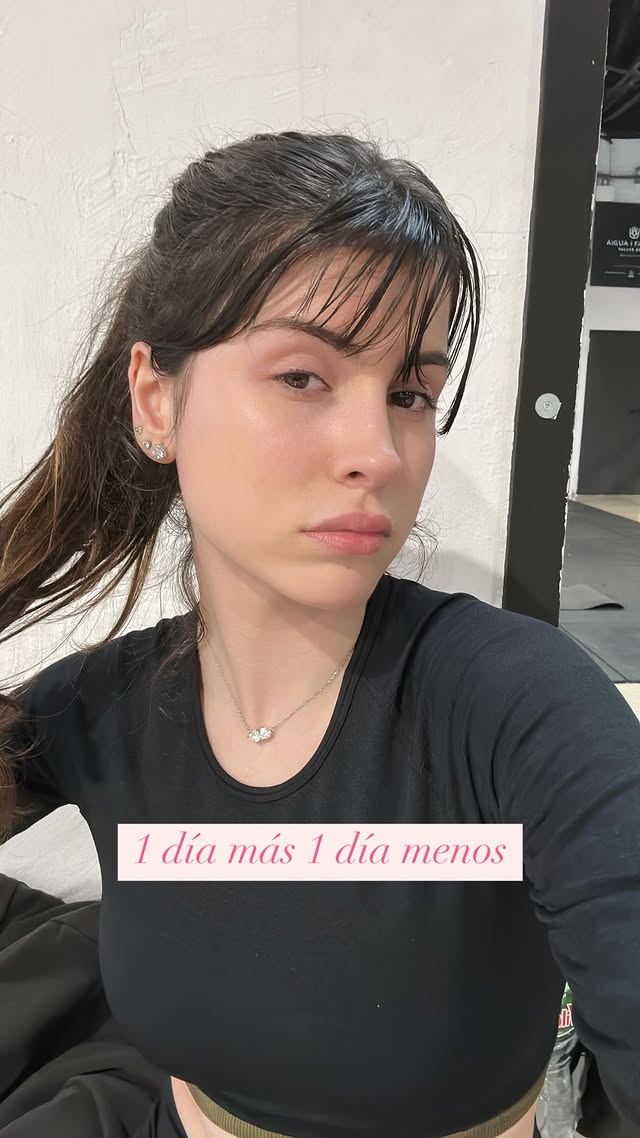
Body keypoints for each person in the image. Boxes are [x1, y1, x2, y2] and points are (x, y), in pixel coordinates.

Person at [0, 129, 639, 1138]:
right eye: (302, 376)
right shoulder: (99, 709)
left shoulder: (516, 705)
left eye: (410, 394)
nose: (377, 451)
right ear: (156, 399)